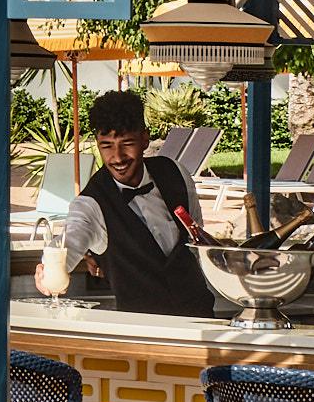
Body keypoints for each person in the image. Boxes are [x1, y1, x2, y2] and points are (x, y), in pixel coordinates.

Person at [59, 90, 212, 316]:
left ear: (144, 139)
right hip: (140, 332)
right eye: (107, 145)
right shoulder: (91, 203)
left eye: (127, 143)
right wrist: (53, 268)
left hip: (199, 319)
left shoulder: (175, 172)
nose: (117, 157)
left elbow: (197, 238)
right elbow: (69, 242)